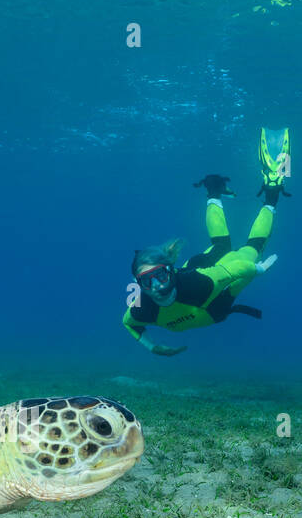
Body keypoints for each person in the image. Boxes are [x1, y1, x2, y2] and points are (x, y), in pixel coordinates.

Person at [123, 128, 289, 356]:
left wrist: (258, 268)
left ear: (170, 271)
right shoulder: (141, 308)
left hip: (211, 284)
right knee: (222, 247)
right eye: (147, 281)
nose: (158, 287)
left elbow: (234, 269)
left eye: (160, 276)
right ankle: (213, 189)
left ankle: (272, 191)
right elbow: (129, 323)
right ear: (138, 285)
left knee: (252, 250)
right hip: (213, 302)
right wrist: (153, 347)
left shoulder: (201, 283)